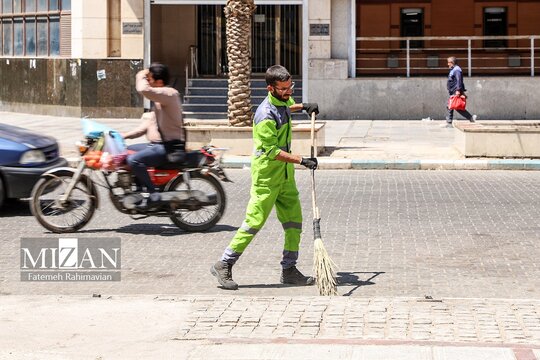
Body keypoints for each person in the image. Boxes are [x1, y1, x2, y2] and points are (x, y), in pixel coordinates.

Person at [211, 65, 320, 290]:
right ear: (271, 89)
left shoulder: (282, 100)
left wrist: (303, 107)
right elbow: (271, 151)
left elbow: (288, 107)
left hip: (285, 177)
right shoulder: (265, 115)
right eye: (284, 89)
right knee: (253, 223)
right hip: (267, 177)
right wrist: (301, 160)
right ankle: (224, 263)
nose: (289, 92)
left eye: (291, 87)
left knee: (294, 223)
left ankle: (289, 269)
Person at [122, 63, 185, 209]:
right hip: (157, 145)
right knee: (128, 151)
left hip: (168, 146)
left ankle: (153, 193)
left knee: (134, 160)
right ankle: (138, 190)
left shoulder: (169, 94)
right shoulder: (160, 99)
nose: (148, 82)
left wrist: (141, 74)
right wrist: (123, 136)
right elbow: (146, 126)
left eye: (150, 79)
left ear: (159, 82)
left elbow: (143, 89)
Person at [442, 56, 477, 128]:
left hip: (455, 91)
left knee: (452, 106)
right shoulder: (453, 69)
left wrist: (458, 90)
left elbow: (459, 81)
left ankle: (449, 122)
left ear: (452, 63)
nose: (448, 64)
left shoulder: (457, 70)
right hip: (453, 91)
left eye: (448, 63)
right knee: (452, 106)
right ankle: (470, 118)